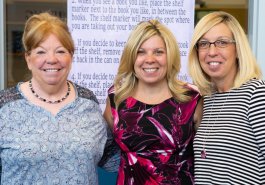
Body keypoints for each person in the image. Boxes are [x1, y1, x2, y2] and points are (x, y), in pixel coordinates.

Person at [0, 12, 116, 185]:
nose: (52, 59)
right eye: (41, 52)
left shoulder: (88, 101)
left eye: (60, 51)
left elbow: (113, 158)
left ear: (71, 56)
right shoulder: (5, 105)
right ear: (28, 59)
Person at [104, 19, 202, 185]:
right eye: (141, 52)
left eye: (158, 52)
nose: (150, 59)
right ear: (131, 57)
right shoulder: (116, 99)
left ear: (170, 56)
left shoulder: (191, 99)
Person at [188, 11, 265, 184]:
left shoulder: (256, 95)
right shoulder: (206, 99)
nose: (212, 51)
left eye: (222, 42)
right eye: (204, 44)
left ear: (238, 49)